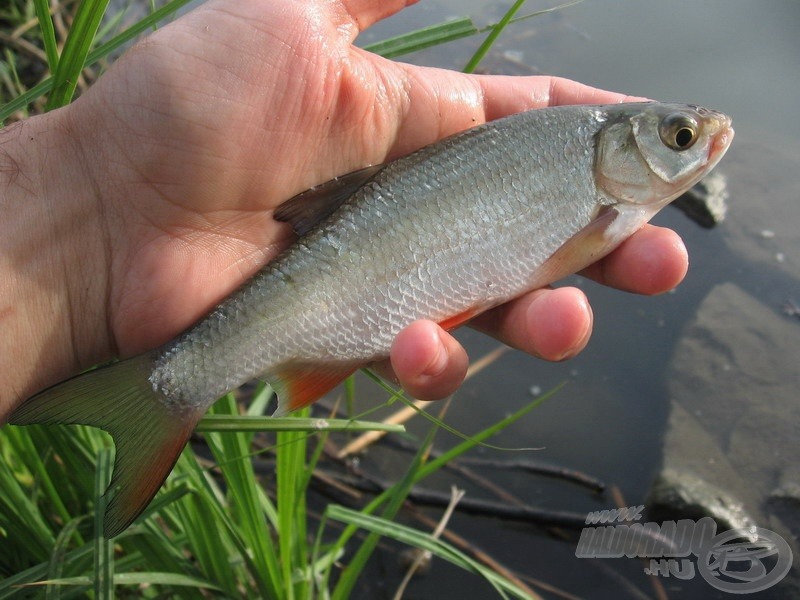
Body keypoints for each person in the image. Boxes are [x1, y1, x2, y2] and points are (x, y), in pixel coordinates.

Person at [0, 0, 688, 424]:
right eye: (679, 138)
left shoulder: (587, 168)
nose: (697, 146)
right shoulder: (591, 181)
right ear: (621, 144)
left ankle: (183, 382)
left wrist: (83, 213)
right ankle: (171, 387)